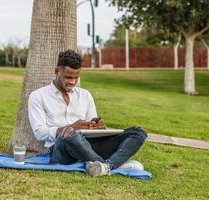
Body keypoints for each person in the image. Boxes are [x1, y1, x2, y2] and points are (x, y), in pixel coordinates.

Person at [28, 49, 147, 177]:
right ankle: (112, 166)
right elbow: (39, 132)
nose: (73, 82)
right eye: (68, 77)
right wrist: (71, 128)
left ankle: (105, 167)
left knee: (138, 132)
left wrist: (97, 127)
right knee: (71, 135)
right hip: (61, 150)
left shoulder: (85, 95)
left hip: (88, 146)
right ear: (57, 72)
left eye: (76, 77)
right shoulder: (38, 96)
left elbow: (91, 128)